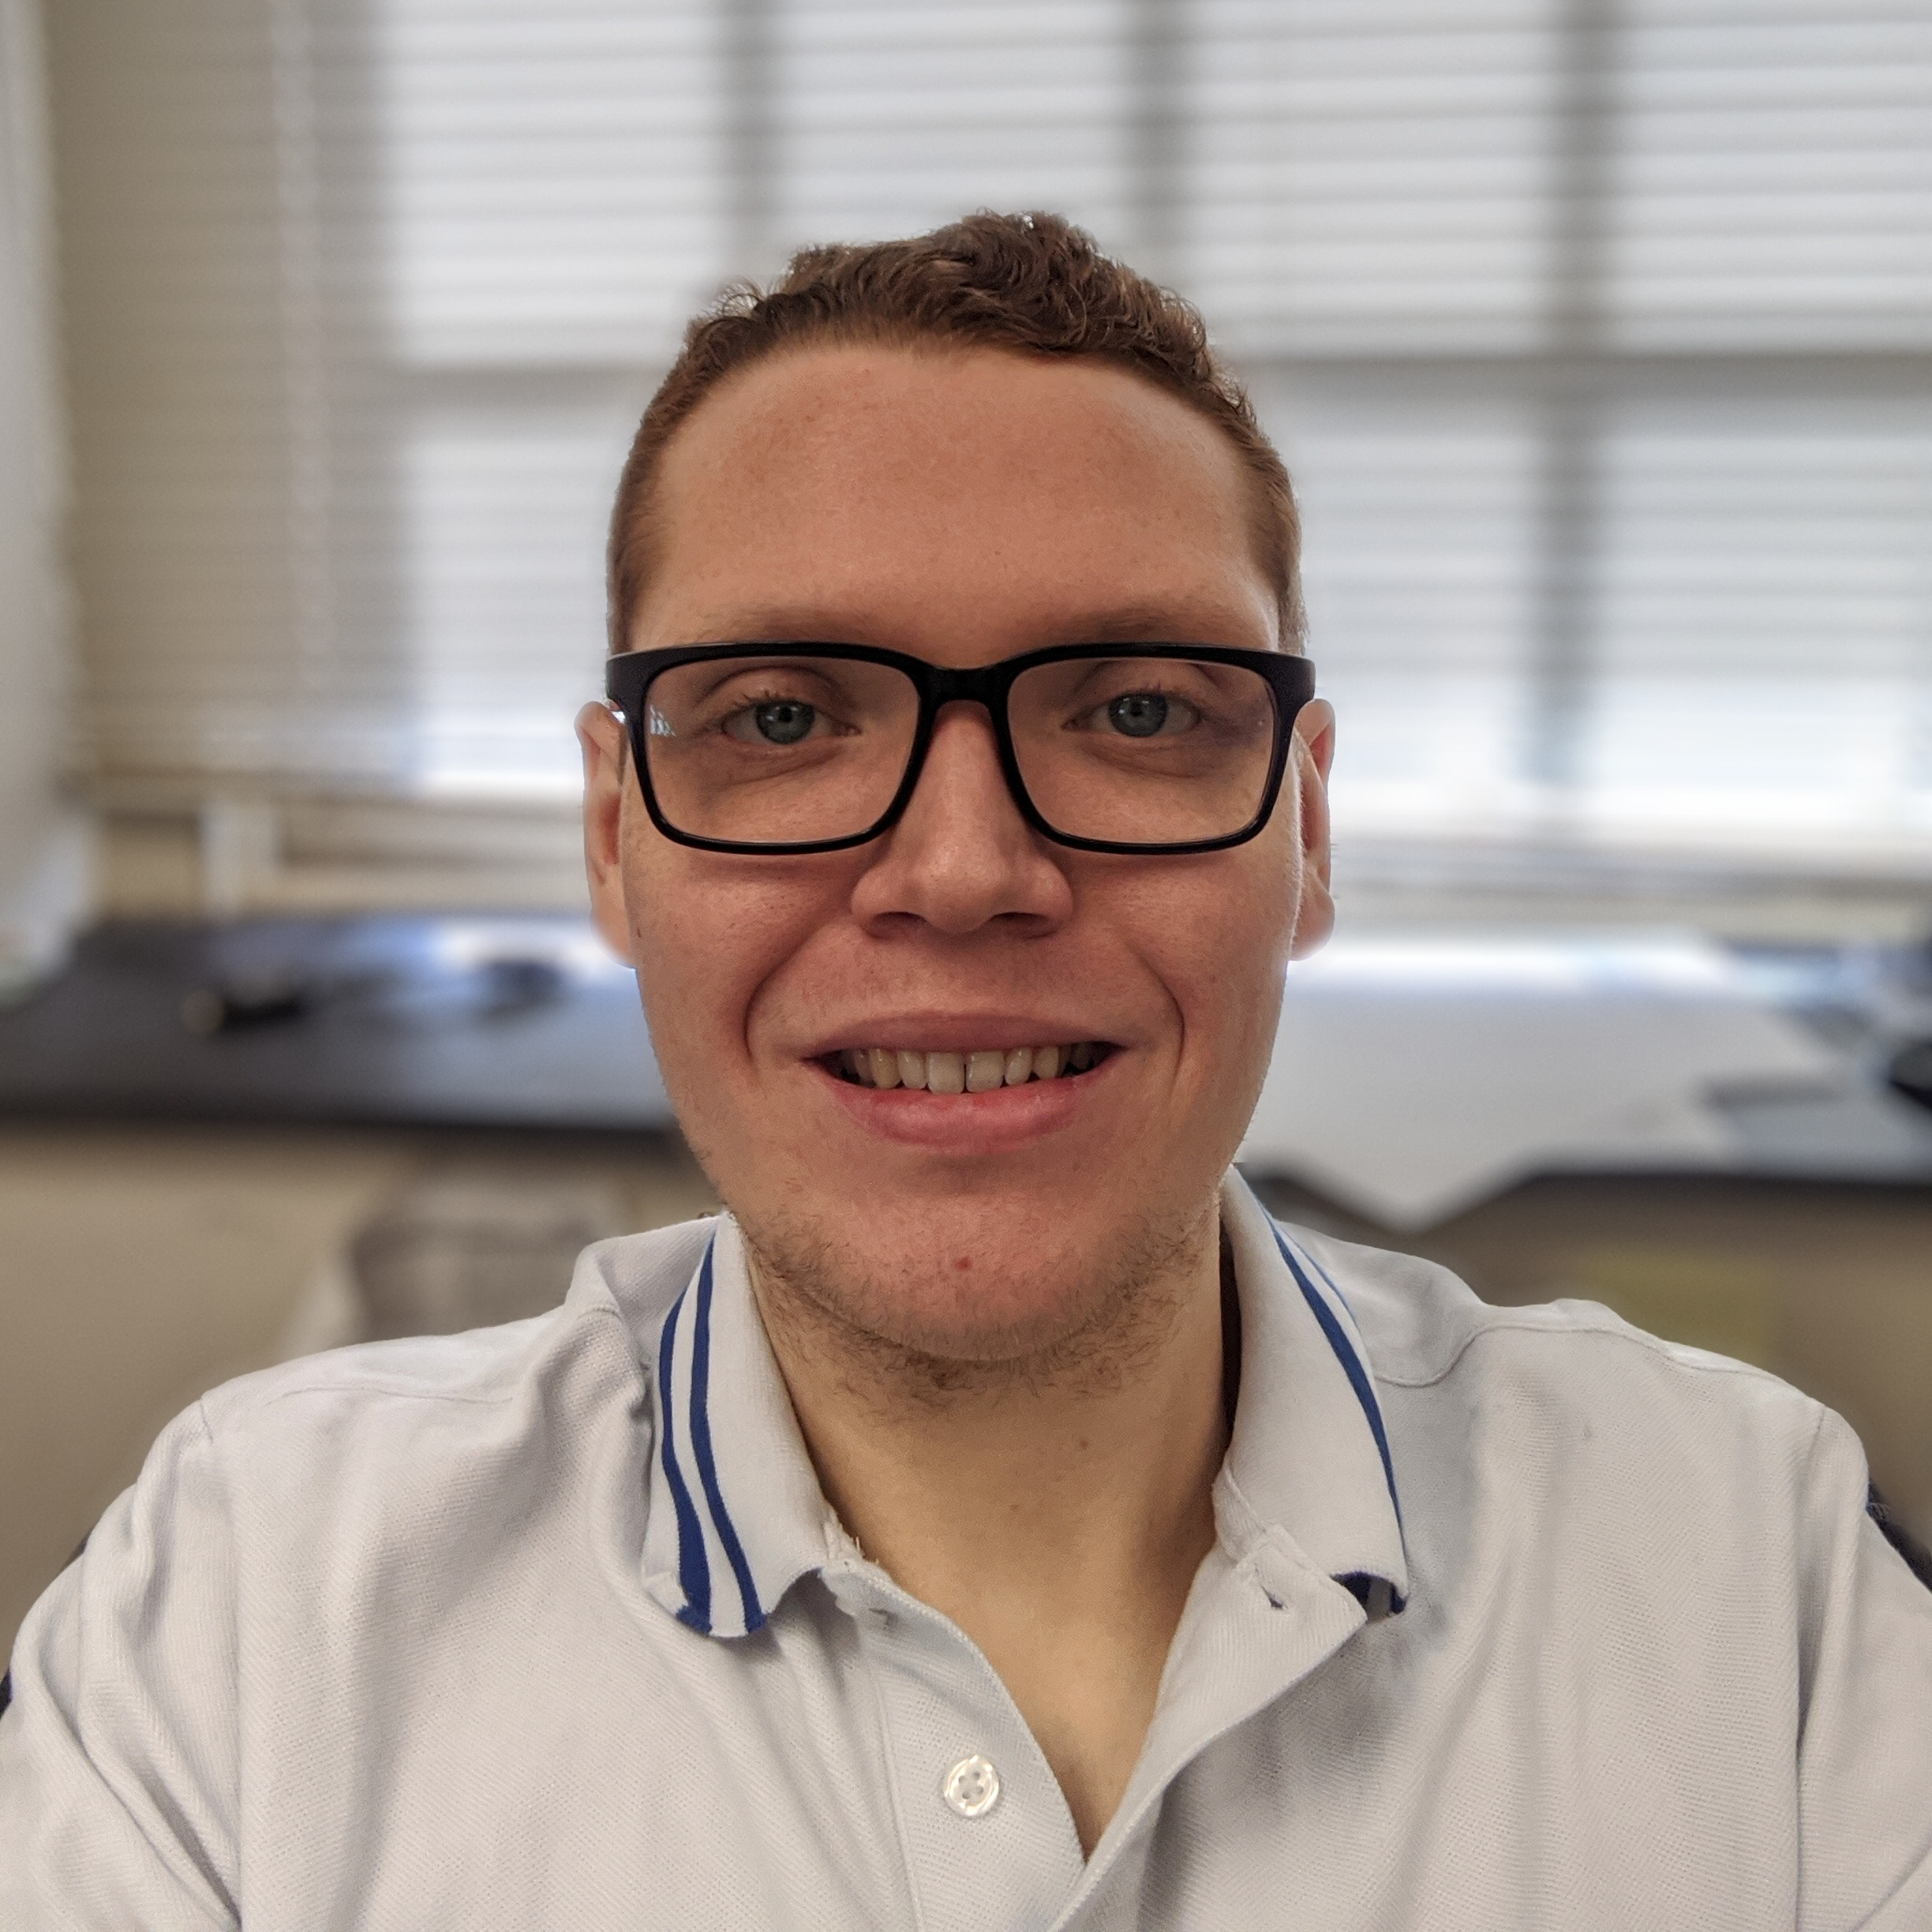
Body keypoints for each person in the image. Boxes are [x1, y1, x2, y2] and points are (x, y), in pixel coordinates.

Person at [3, 212, 1929, 1929]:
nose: (961, 869)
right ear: (611, 838)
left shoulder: (1751, 1577)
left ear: (1308, 827)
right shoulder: (247, 1614)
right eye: (781, 717)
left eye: (1140, 709)